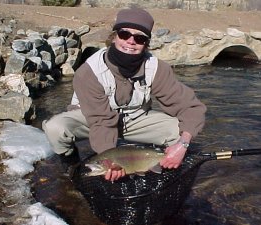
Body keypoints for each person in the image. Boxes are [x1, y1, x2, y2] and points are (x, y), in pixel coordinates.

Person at [42, 7, 207, 181]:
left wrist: (182, 144)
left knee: (180, 131)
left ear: (146, 44)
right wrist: (110, 161)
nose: (131, 41)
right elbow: (101, 121)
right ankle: (72, 166)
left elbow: (191, 108)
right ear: (114, 36)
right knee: (55, 129)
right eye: (124, 34)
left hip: (135, 120)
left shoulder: (157, 68)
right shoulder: (88, 72)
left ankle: (155, 162)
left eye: (140, 38)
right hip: (92, 119)